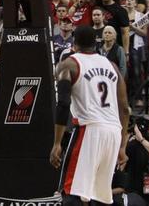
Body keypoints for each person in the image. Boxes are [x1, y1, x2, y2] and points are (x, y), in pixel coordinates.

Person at [50, 25, 130, 206]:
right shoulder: (113, 66)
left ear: (74, 43)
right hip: (114, 131)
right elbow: (125, 108)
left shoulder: (68, 64)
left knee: (71, 191)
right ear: (96, 43)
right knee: (100, 195)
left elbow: (63, 103)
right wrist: (123, 145)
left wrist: (57, 143)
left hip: (89, 129)